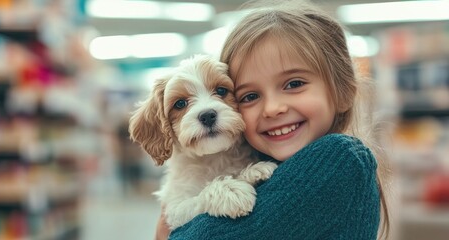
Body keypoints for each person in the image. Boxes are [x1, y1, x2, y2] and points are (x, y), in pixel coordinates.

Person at [155, 0, 392, 239]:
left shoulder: (338, 159)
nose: (272, 108)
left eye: (294, 84)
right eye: (250, 96)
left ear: (343, 91)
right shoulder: (268, 163)